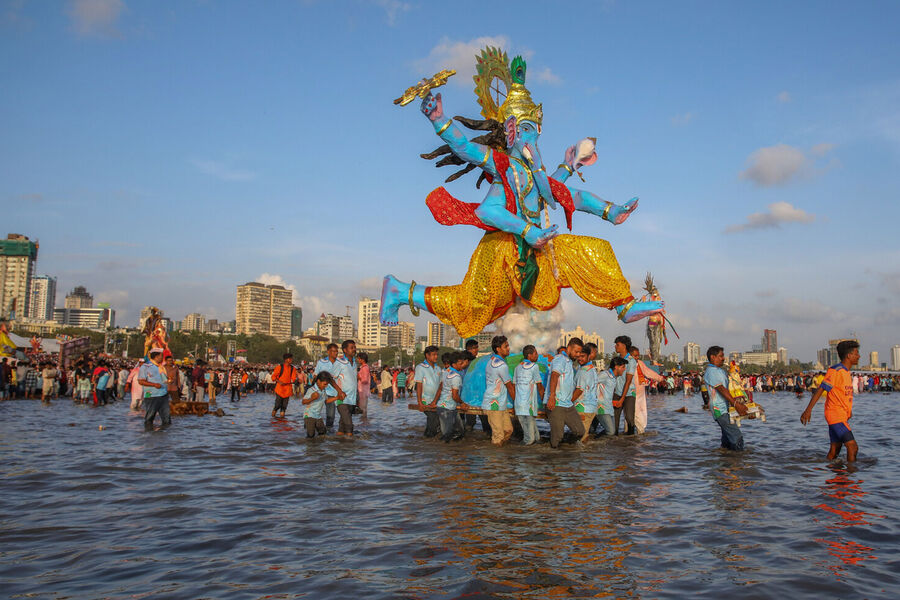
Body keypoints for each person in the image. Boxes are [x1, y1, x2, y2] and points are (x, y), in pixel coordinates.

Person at [800, 340, 861, 462]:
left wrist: (848, 411)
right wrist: (808, 410)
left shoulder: (845, 372)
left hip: (841, 415)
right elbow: (820, 389)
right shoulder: (836, 370)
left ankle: (833, 477)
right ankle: (851, 476)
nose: (859, 356)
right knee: (852, 447)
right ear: (849, 355)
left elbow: (842, 395)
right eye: (856, 353)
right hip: (835, 415)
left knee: (835, 449)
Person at [703, 346, 749, 451]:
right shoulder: (711, 371)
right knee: (737, 436)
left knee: (727, 438)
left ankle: (725, 461)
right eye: (721, 356)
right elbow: (722, 389)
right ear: (713, 357)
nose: (723, 358)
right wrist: (736, 405)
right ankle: (737, 461)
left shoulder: (720, 371)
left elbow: (730, 389)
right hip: (719, 409)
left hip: (725, 408)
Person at [545, 337, 586, 448]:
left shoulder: (569, 362)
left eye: (579, 352)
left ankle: (566, 448)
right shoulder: (560, 359)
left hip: (567, 404)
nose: (578, 355)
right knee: (557, 436)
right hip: (556, 404)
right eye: (576, 351)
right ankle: (554, 457)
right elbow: (554, 375)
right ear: (569, 348)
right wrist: (552, 396)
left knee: (580, 431)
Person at [482, 336, 515, 446]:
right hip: (493, 404)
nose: (508, 348)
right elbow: (510, 386)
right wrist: (518, 403)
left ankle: (499, 455)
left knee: (508, 430)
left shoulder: (493, 360)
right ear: (498, 349)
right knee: (498, 435)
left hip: (501, 403)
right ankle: (495, 461)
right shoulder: (501, 365)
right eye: (506, 346)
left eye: (508, 346)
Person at [514, 344, 544, 445]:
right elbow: (539, 386)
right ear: (530, 355)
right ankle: (527, 457)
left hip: (519, 404)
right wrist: (544, 401)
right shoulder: (534, 367)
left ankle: (536, 443)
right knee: (529, 438)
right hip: (529, 404)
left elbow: (515, 385)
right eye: (536, 353)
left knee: (528, 428)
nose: (537, 355)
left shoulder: (517, 367)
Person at [630, 346, 664, 434]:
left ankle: (640, 432)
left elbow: (648, 372)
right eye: (635, 356)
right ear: (630, 355)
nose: (637, 357)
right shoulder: (626, 364)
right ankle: (632, 433)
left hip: (640, 393)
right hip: (630, 393)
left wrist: (660, 378)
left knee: (641, 413)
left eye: (638, 356)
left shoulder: (640, 364)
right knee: (631, 415)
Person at [436, 352, 466, 442]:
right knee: (447, 434)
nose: (462, 365)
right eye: (460, 364)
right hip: (447, 409)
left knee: (458, 432)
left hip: (446, 407)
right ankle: (443, 454)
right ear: (454, 364)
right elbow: (455, 395)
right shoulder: (456, 377)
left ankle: (452, 452)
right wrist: (462, 403)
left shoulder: (445, 372)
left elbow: (440, 387)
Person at [138, 349, 171, 428]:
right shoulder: (145, 367)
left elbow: (164, 379)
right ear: (156, 357)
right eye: (161, 356)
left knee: (167, 419)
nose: (162, 358)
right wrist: (154, 385)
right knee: (150, 417)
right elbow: (141, 381)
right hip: (151, 395)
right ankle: (148, 433)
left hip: (163, 394)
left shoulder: (161, 367)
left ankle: (165, 436)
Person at [414, 345, 442, 437]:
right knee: (433, 419)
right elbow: (419, 385)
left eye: (436, 354)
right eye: (434, 355)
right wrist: (420, 402)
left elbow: (441, 385)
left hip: (436, 401)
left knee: (434, 420)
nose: (436, 357)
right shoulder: (420, 367)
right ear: (427, 355)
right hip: (425, 399)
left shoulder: (438, 368)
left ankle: (427, 439)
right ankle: (429, 439)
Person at [573, 343, 599, 442]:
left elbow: (579, 390)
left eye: (583, 356)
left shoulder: (583, 371)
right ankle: (587, 455)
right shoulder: (591, 368)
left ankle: (584, 456)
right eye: (578, 356)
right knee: (584, 434)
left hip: (583, 408)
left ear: (589, 356)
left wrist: (568, 402)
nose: (580, 359)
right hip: (590, 407)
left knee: (581, 437)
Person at [314, 344, 344, 427]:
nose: (335, 353)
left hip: (334, 393)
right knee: (315, 411)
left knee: (331, 415)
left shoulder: (340, 363)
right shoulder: (321, 362)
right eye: (333, 351)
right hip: (322, 391)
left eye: (337, 351)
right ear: (328, 352)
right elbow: (315, 376)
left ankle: (329, 432)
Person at [612, 335, 637, 435]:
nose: (615, 347)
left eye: (617, 345)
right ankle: (615, 440)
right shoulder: (616, 360)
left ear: (624, 346)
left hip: (629, 393)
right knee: (615, 418)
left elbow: (628, 381)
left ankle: (631, 439)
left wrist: (622, 398)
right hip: (617, 392)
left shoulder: (631, 361)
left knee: (629, 418)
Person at [596, 356, 627, 436]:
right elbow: (591, 383)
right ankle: (597, 442)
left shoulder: (613, 377)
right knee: (611, 431)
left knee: (593, 430)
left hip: (609, 409)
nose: (624, 369)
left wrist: (613, 402)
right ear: (616, 367)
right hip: (601, 408)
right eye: (623, 367)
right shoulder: (605, 375)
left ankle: (595, 444)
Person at [302, 372, 338, 438]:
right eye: (324, 384)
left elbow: (326, 401)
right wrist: (312, 398)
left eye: (327, 384)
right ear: (318, 381)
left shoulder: (323, 390)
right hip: (309, 416)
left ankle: (319, 447)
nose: (326, 386)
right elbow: (303, 402)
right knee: (311, 435)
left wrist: (337, 397)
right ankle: (310, 446)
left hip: (317, 416)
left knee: (323, 432)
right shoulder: (312, 390)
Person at [334, 340, 358, 436]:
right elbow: (331, 378)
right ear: (345, 350)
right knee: (349, 425)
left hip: (352, 399)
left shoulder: (354, 363)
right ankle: (350, 449)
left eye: (354, 347)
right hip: (342, 399)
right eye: (351, 347)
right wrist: (339, 391)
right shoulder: (339, 362)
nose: (354, 349)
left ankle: (340, 445)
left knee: (342, 426)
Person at [271, 353, 298, 418]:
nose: (291, 360)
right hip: (280, 389)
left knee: (284, 406)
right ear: (286, 359)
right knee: (277, 405)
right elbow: (273, 377)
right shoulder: (279, 367)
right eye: (290, 358)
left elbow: (293, 378)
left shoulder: (293, 368)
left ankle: (282, 420)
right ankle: (272, 417)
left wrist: (296, 380)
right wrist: (279, 381)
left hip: (288, 389)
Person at [357, 352, 370, 418]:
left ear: (362, 359)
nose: (358, 360)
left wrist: (358, 377)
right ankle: (363, 422)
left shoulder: (365, 368)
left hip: (363, 390)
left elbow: (365, 380)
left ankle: (364, 422)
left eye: (359, 359)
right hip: (362, 390)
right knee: (362, 407)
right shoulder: (363, 367)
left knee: (363, 408)